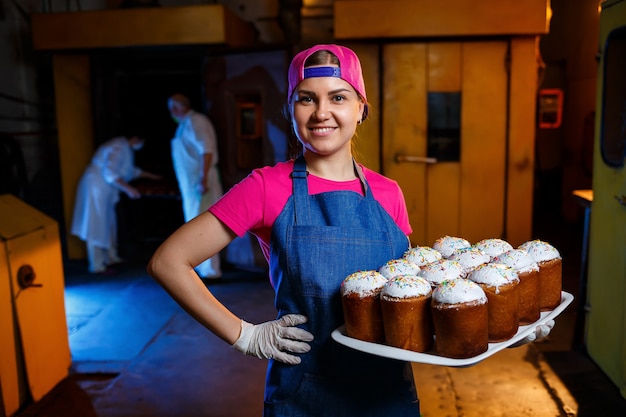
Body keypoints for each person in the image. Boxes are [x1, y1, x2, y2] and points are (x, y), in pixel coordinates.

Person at [148, 44, 553, 416]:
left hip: (387, 390)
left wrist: (500, 326)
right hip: (305, 390)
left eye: (338, 97)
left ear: (361, 108)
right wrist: (245, 335)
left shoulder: (387, 192)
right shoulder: (266, 187)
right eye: (306, 98)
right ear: (291, 110)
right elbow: (169, 262)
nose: (321, 112)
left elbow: (411, 301)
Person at [72, 134, 160, 274]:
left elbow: (131, 171)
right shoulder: (118, 146)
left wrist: (153, 177)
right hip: (96, 187)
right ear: (136, 138)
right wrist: (129, 189)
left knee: (109, 223)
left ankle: (110, 257)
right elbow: (110, 173)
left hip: (105, 189)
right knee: (97, 224)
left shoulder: (125, 148)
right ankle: (97, 265)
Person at [167, 93, 223, 278]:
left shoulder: (195, 121)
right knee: (195, 224)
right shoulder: (184, 125)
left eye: (172, 108)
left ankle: (211, 270)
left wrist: (203, 179)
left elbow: (206, 151)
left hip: (200, 182)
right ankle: (202, 267)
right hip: (191, 183)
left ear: (177, 108)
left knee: (204, 225)